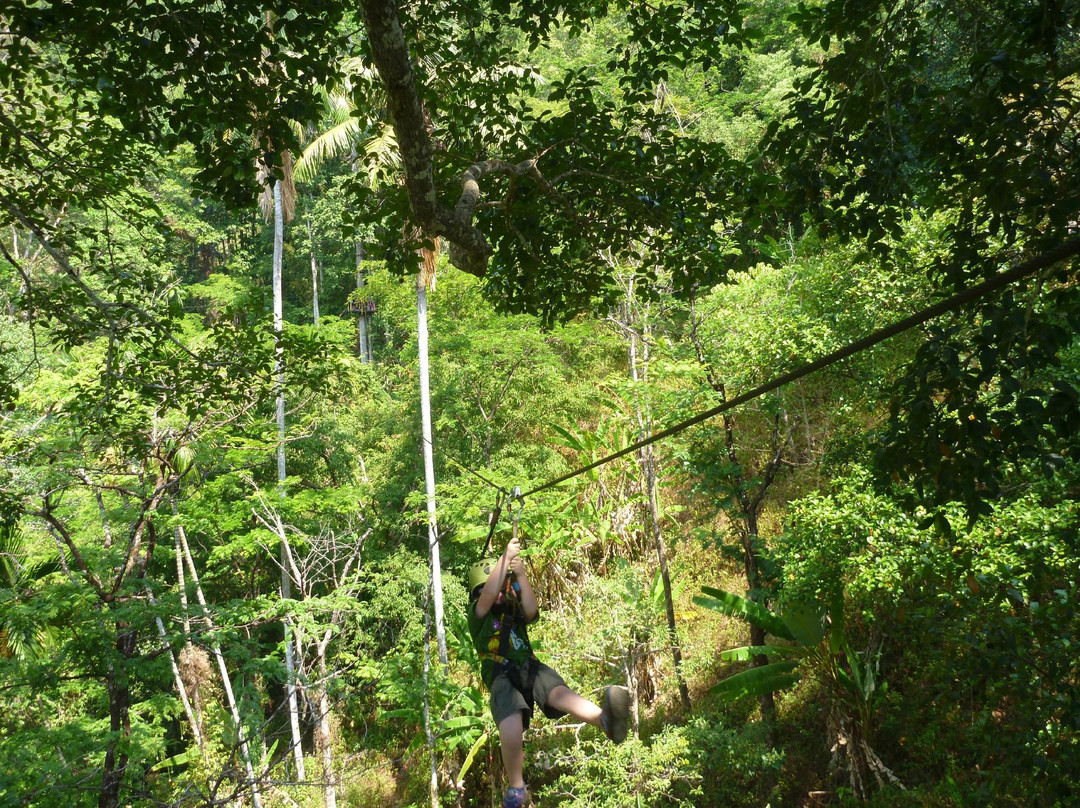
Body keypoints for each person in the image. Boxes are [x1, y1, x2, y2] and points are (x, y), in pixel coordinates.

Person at [467, 535, 630, 808]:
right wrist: (505, 558)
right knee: (510, 722)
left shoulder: (515, 612)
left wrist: (519, 573)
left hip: (529, 666)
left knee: (558, 692)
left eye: (503, 588)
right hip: (501, 674)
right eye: (493, 588)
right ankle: (517, 787)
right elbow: (487, 594)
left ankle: (604, 720)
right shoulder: (478, 615)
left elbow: (531, 608)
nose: (498, 593)